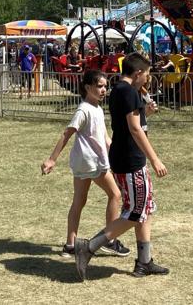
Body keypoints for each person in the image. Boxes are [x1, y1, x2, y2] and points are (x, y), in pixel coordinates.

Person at [74, 51, 169, 280]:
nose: (147, 78)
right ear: (137, 73)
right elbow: (135, 130)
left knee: (145, 208)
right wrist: (155, 159)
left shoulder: (120, 90)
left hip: (124, 157)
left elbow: (130, 124)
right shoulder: (128, 92)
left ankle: (144, 261)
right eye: (146, 74)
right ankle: (88, 247)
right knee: (135, 212)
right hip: (130, 160)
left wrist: (145, 113)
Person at [41, 70, 130, 259]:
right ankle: (110, 241)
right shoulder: (84, 109)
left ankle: (70, 245)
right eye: (99, 86)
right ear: (88, 87)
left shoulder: (97, 108)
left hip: (85, 163)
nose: (103, 89)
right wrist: (52, 159)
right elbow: (67, 133)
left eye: (105, 86)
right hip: (91, 163)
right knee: (115, 194)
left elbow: (105, 138)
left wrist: (118, 154)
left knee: (79, 202)